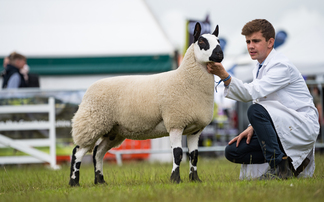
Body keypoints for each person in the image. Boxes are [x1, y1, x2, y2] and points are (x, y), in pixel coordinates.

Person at [207, 19, 319, 180]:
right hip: (282, 126)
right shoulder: (258, 67)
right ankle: (288, 163)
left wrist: (224, 75)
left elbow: (252, 93)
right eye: (248, 42)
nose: (250, 46)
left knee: (254, 110)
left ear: (270, 42)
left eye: (256, 41)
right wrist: (253, 127)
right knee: (233, 151)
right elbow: (263, 102)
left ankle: (280, 168)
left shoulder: (281, 66)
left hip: (300, 126)